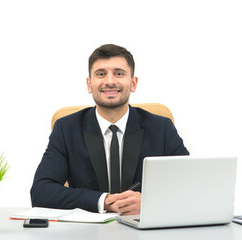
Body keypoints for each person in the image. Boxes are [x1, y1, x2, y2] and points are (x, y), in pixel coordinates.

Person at [30, 44, 189, 215]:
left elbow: (191, 183)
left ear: (133, 83)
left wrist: (151, 203)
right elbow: (41, 192)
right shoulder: (66, 129)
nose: (110, 81)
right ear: (89, 84)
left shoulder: (161, 128)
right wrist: (104, 201)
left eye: (119, 73)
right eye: (101, 74)